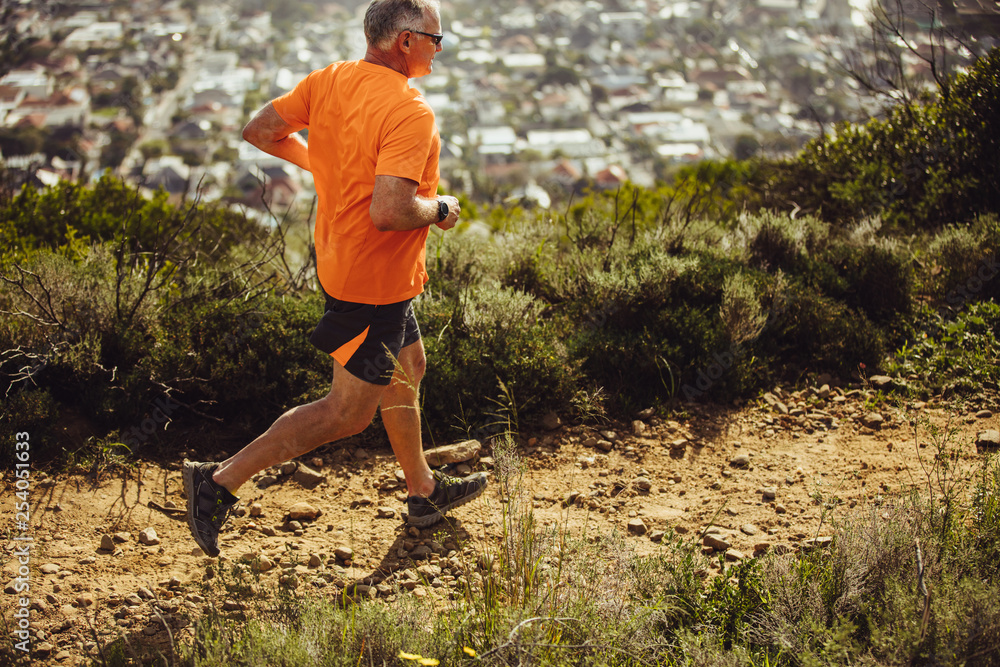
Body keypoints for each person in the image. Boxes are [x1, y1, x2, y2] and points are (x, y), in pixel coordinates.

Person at [183, 0, 487, 558]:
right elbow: (391, 211)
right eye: (435, 40)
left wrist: (322, 165)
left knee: (410, 366)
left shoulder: (330, 80)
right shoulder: (408, 110)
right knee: (346, 413)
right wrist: (440, 208)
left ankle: (422, 491)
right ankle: (218, 481)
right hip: (371, 282)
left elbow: (261, 131)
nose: (438, 49)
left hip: (359, 267)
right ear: (404, 42)